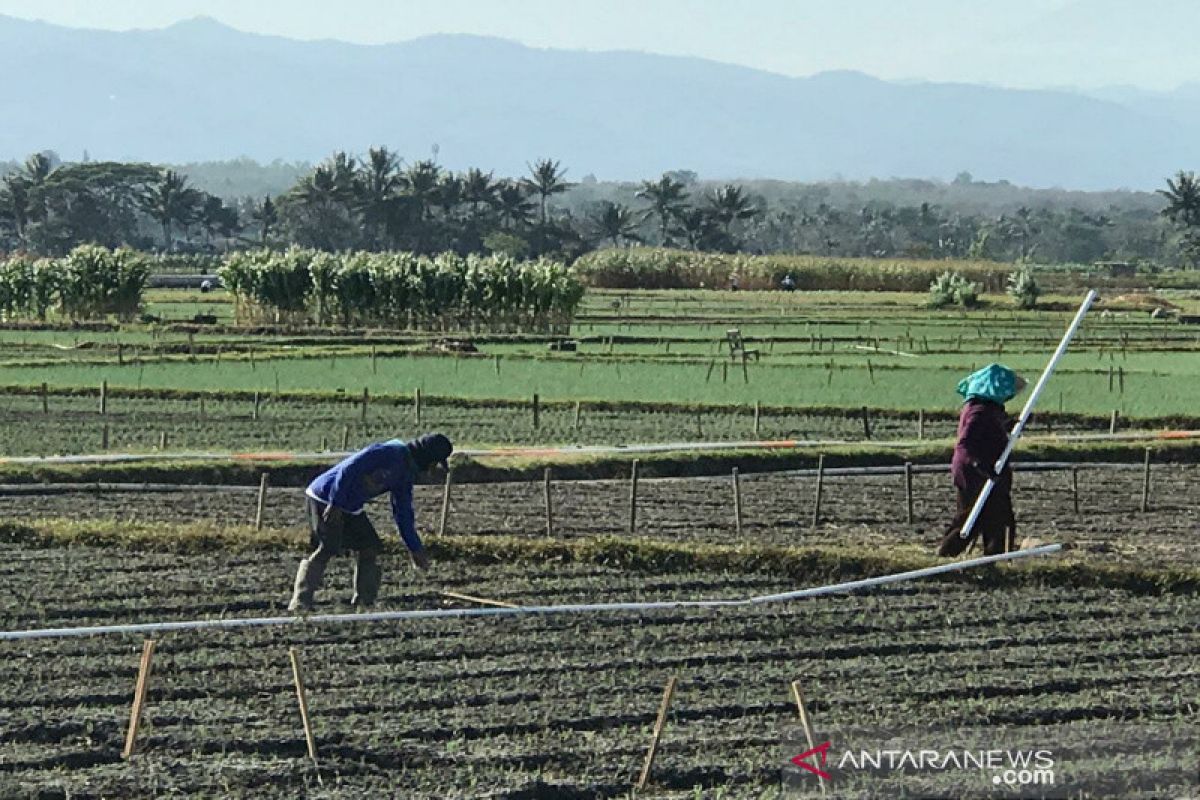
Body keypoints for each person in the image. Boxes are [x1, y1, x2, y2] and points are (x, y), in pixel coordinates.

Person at [288, 432, 453, 611]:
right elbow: (349, 468)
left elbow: (403, 513)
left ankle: (364, 603)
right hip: (325, 497)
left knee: (370, 546)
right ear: (426, 458)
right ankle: (300, 603)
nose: (431, 469)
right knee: (328, 547)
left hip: (351, 506)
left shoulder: (405, 475)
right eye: (434, 463)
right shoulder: (389, 452)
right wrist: (335, 503)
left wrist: (414, 548)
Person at [937, 364, 1026, 557]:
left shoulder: (989, 409)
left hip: (988, 472)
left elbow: (989, 432)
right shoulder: (978, 410)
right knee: (972, 518)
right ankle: (946, 555)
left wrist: (1006, 426)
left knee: (998, 518)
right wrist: (979, 465)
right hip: (975, 472)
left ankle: (995, 558)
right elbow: (965, 444)